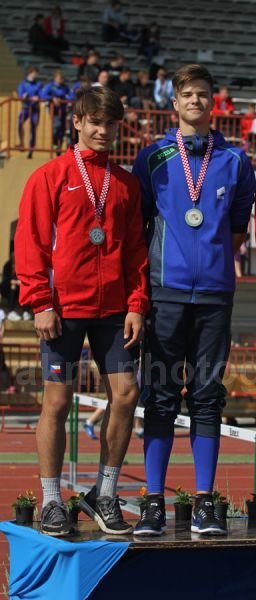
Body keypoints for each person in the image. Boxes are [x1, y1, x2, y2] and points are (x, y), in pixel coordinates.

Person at [14, 87, 149, 537]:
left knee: (126, 394)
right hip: (63, 309)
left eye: (111, 124)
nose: (103, 131)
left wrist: (136, 304)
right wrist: (40, 302)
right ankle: (52, 499)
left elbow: (136, 250)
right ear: (77, 122)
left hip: (113, 309)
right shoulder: (49, 176)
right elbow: (30, 244)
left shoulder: (126, 183)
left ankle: (104, 493)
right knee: (57, 401)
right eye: (95, 122)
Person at [132, 63, 255, 536]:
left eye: (203, 94)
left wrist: (212, 261)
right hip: (165, 293)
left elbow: (238, 229)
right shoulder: (152, 158)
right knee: (160, 396)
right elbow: (141, 226)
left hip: (215, 295)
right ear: (175, 102)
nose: (196, 101)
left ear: (212, 102)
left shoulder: (237, 161)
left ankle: (205, 503)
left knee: (207, 396)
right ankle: (153, 502)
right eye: (188, 94)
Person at [41, 70, 70, 155]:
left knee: (63, 130)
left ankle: (59, 147)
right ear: (55, 78)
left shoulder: (65, 87)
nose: (62, 80)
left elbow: (70, 96)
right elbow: (43, 95)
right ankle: (54, 143)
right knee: (57, 126)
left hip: (63, 111)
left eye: (62, 78)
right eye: (60, 78)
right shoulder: (50, 86)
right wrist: (52, 98)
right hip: (55, 111)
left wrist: (63, 100)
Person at [17, 67, 42, 159]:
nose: (36, 75)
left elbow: (42, 94)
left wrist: (38, 97)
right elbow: (20, 94)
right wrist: (27, 97)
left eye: (37, 73)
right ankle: (21, 142)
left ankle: (31, 149)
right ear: (30, 73)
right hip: (26, 108)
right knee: (20, 122)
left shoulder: (38, 84)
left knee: (33, 128)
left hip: (35, 109)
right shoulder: (23, 83)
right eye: (35, 73)